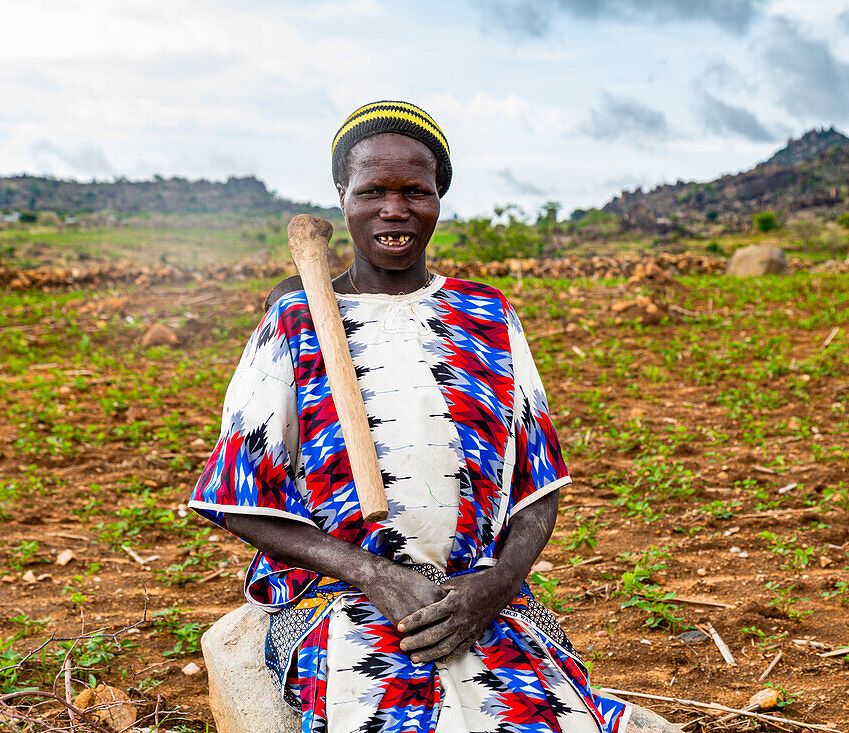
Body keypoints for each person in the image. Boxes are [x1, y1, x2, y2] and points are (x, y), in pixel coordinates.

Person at [189, 101, 631, 733]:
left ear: (439, 200)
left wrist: (495, 587)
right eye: (371, 191)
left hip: (473, 595)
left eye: (415, 191)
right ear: (343, 198)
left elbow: (539, 491)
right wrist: (371, 572)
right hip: (340, 601)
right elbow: (235, 494)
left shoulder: (488, 318)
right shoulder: (295, 323)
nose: (393, 209)